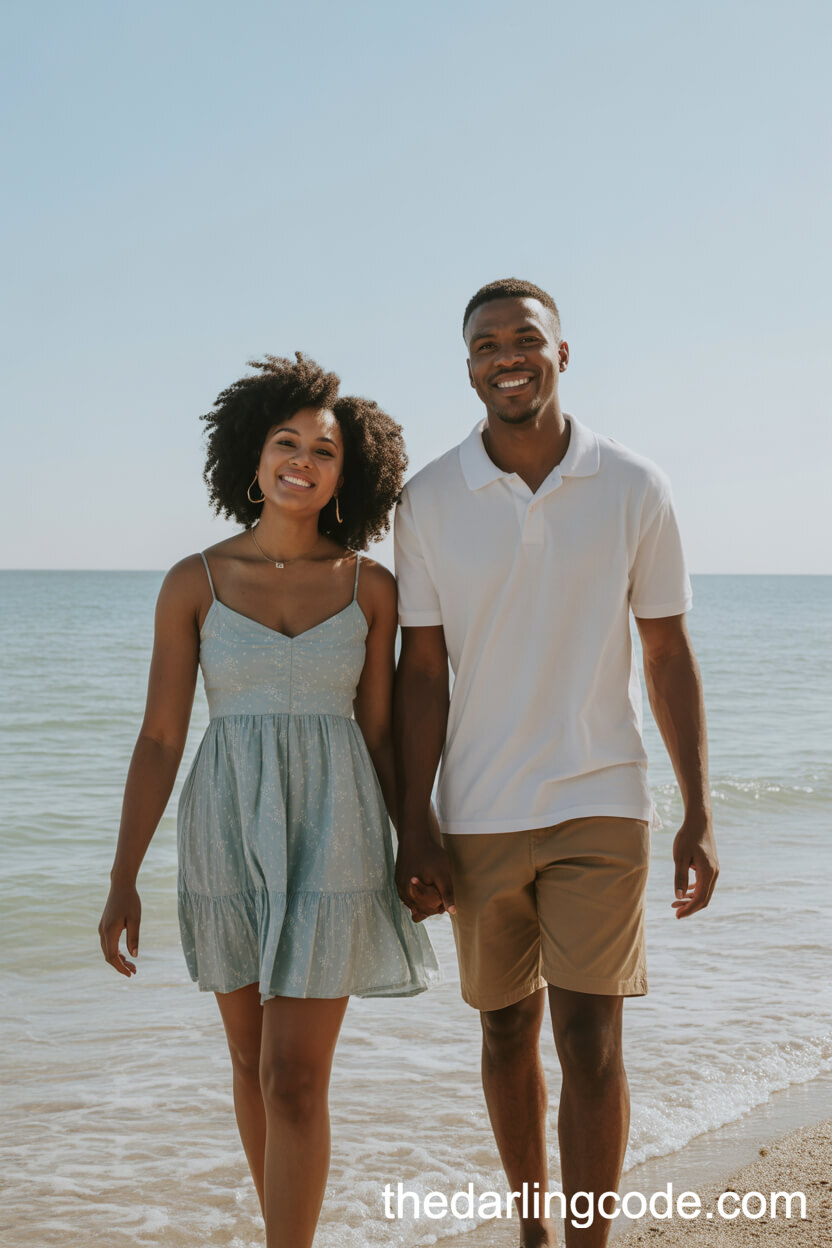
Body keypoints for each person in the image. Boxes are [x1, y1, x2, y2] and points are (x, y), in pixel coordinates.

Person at [393, 279, 718, 1248]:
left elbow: (664, 653)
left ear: (561, 354)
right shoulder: (427, 501)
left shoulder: (633, 486)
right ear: (467, 369)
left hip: (600, 798)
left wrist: (698, 808)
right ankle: (533, 1232)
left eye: (525, 339)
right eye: (486, 344)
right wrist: (416, 817)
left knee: (590, 1038)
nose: (507, 356)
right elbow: (419, 673)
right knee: (502, 1031)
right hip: (481, 806)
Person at [98, 352, 439, 1248]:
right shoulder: (195, 582)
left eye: (322, 450)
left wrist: (417, 843)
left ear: (344, 471)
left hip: (338, 832)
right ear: (250, 458)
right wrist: (122, 876)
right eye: (285, 443)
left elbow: (377, 735)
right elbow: (161, 738)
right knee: (249, 1064)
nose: (302, 460)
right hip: (225, 830)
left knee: (294, 1076)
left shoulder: (372, 588)